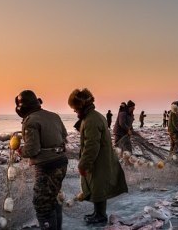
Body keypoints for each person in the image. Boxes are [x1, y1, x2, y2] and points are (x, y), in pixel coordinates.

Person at [68, 88, 127, 225]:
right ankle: (98, 212)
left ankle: (100, 215)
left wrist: (84, 164)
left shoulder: (91, 121)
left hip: (98, 160)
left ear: (80, 106)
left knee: (98, 186)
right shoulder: (94, 116)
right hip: (101, 158)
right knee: (97, 187)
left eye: (75, 109)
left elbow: (91, 146)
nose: (75, 111)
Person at [15, 90, 68, 230]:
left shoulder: (30, 120)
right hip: (62, 162)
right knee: (53, 198)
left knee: (42, 205)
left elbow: (33, 150)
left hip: (46, 167)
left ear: (21, 108)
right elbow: (64, 135)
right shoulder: (54, 115)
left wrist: (20, 151)